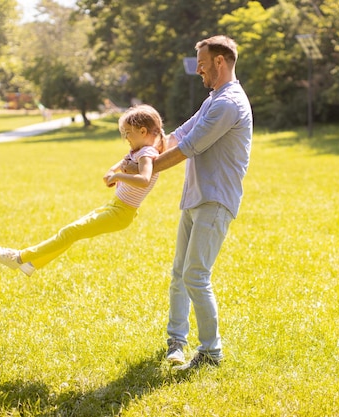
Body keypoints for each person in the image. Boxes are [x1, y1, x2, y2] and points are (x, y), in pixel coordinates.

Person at [125, 35, 252, 370]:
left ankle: (211, 352)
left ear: (220, 62)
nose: (198, 69)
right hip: (197, 196)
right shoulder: (214, 99)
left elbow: (187, 148)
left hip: (215, 199)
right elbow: (178, 135)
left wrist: (143, 169)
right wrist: (140, 152)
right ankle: (176, 342)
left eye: (202, 62)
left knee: (196, 275)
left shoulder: (229, 103)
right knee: (180, 273)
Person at [0, 104, 167, 276]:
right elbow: (124, 162)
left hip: (122, 213)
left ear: (142, 131)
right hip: (115, 207)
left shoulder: (146, 154)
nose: (126, 137)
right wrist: (112, 170)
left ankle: (19, 258)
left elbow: (144, 180)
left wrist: (118, 177)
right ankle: (31, 264)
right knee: (71, 233)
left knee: (71, 232)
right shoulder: (138, 150)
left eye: (128, 132)